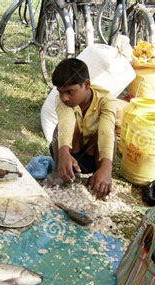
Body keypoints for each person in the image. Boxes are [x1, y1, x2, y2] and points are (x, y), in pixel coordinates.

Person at [49, 58, 117, 199]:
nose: (64, 98)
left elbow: (106, 132)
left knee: (110, 136)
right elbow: (66, 122)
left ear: (86, 85)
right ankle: (61, 171)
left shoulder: (106, 100)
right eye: (60, 92)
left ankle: (99, 180)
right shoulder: (61, 100)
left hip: (93, 157)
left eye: (69, 92)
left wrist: (107, 167)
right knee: (59, 129)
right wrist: (63, 153)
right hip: (69, 155)